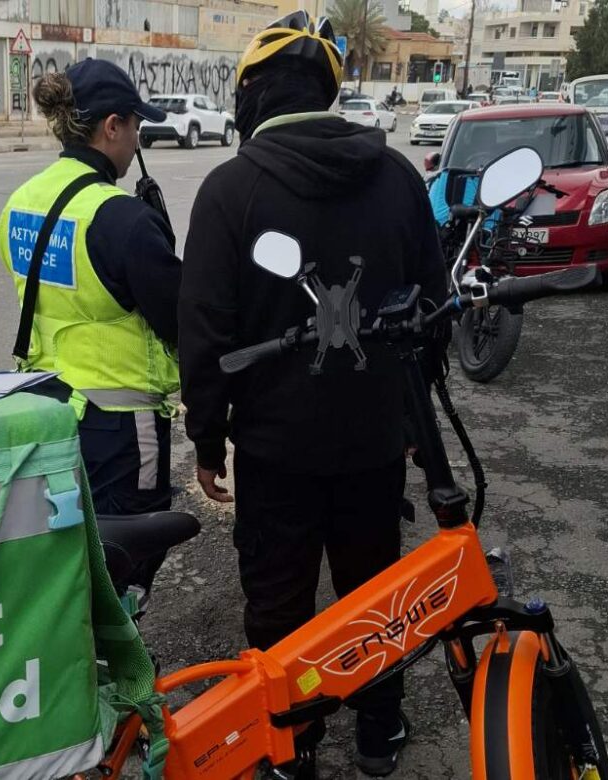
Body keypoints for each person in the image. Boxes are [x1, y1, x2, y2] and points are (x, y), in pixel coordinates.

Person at [178, 10, 447, 778]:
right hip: (375, 443)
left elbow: (203, 330)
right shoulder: (397, 176)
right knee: (374, 592)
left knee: (278, 601)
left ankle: (289, 747)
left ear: (251, 97)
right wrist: (409, 417)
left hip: (273, 447)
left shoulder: (230, 191)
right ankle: (379, 733)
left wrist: (206, 437)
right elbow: (433, 308)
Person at [0, 59, 181, 519]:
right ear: (113, 127)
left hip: (43, 411)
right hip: (117, 429)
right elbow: (182, 318)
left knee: (62, 550)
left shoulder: (19, 201)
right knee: (127, 556)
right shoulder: (125, 220)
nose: (138, 139)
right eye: (136, 125)